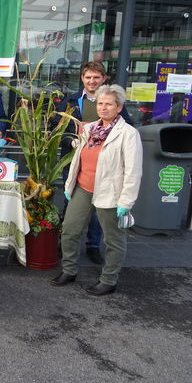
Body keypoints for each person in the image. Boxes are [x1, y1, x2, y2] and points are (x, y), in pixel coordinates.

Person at [51, 85, 142, 296]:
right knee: (69, 231)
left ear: (119, 107)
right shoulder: (90, 128)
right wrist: (69, 186)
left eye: (109, 104)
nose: (103, 107)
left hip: (110, 193)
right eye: (100, 103)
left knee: (113, 239)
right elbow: (77, 159)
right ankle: (69, 270)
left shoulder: (128, 134)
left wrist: (125, 202)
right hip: (83, 187)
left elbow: (133, 171)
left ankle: (109, 280)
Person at [56, 61, 132, 265]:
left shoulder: (113, 102)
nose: (92, 81)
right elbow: (58, 128)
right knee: (71, 204)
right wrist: (71, 142)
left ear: (103, 79)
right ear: (82, 78)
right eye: (88, 77)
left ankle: (92, 245)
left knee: (100, 209)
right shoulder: (71, 101)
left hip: (105, 167)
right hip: (74, 161)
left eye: (96, 77)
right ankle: (66, 246)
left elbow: (126, 128)